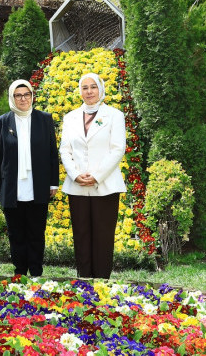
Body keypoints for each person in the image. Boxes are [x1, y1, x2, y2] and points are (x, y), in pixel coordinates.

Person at [59, 73, 126, 279]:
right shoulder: (70, 118)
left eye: (93, 87)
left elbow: (117, 149)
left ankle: (102, 281)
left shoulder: (115, 115)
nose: (89, 91)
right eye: (85, 87)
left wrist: (96, 176)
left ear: (101, 90)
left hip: (105, 186)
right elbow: (65, 150)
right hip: (77, 186)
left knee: (103, 236)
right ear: (80, 91)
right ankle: (84, 280)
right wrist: (76, 174)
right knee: (81, 235)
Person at [0, 80, 59, 277]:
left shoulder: (44, 119)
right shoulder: (2, 122)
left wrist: (53, 182)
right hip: (12, 188)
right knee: (16, 234)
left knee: (36, 234)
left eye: (27, 94)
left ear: (32, 96)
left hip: (37, 185)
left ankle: (37, 273)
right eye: (18, 95)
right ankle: (19, 273)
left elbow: (52, 154)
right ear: (12, 98)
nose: (23, 98)